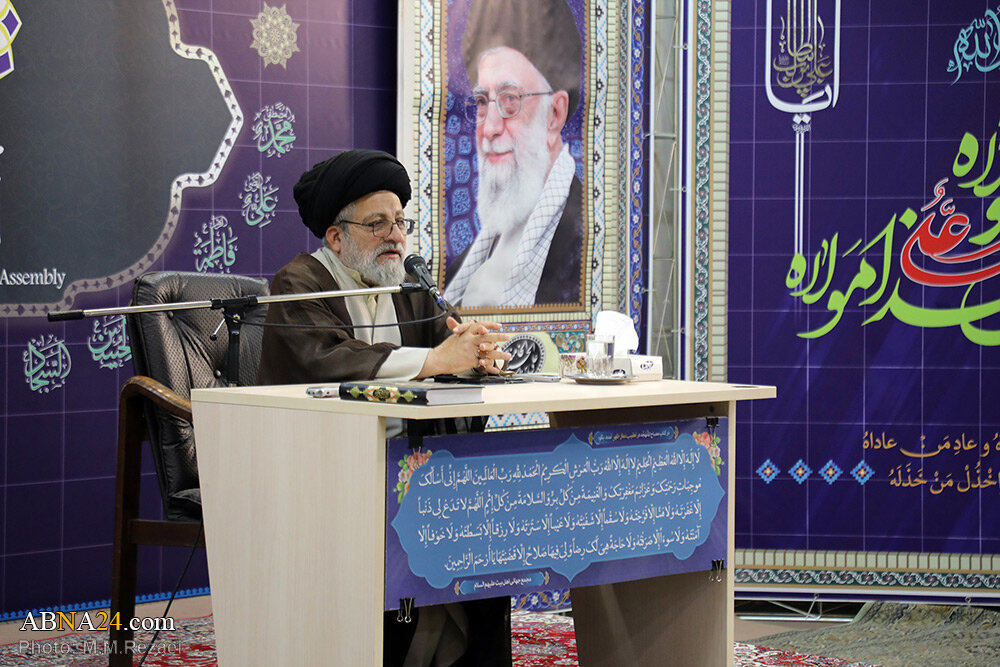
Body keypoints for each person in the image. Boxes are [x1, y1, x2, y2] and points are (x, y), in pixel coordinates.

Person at [257, 149, 513, 667]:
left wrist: (476, 356)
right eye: (377, 224)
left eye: (400, 222)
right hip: (327, 468)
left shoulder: (408, 283)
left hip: (413, 466)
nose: (395, 236)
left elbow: (445, 350)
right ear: (336, 237)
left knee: (489, 535)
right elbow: (325, 360)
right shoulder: (298, 282)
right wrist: (435, 360)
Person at [443, 0, 584, 307]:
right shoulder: (468, 264)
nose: (490, 128)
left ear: (554, 115)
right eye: (483, 101)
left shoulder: (585, 240)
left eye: (510, 100)